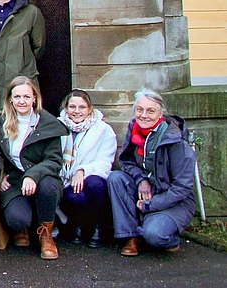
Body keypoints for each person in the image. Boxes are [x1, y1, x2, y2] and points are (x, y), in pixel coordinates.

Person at [111, 89, 197, 256]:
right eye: (139, 110)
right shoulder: (134, 129)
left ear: (161, 113)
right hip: (146, 191)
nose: (144, 115)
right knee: (116, 178)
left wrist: (151, 204)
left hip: (174, 200)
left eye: (151, 111)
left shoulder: (176, 141)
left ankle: (162, 236)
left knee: (156, 235)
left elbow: (182, 188)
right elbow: (126, 161)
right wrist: (141, 179)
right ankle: (131, 236)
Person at [0, 76, 66, 260]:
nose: (22, 101)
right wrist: (0, 177)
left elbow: (54, 160)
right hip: (16, 180)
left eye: (26, 96)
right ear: (10, 99)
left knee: (48, 186)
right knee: (17, 219)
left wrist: (33, 175)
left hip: (43, 179)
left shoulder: (48, 123)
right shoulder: (1, 121)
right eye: (17, 97)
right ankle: (23, 227)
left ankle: (46, 234)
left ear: (35, 98)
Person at [57, 88, 117, 247]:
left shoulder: (103, 130)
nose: (77, 111)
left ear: (90, 109)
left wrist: (82, 170)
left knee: (94, 184)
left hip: (92, 179)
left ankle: (98, 227)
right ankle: (78, 225)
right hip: (66, 181)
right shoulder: (56, 126)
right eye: (72, 107)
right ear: (66, 108)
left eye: (82, 107)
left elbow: (105, 162)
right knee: (76, 197)